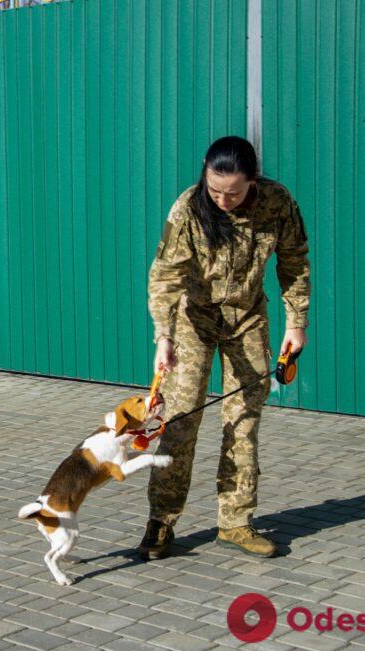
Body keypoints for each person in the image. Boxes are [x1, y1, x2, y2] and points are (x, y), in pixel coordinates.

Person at [139, 135, 311, 560]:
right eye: (215, 190)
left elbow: (294, 261)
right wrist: (164, 336)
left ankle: (236, 522)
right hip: (192, 319)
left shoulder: (277, 203)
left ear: (253, 181)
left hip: (247, 316)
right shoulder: (188, 208)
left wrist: (297, 323)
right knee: (180, 421)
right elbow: (164, 275)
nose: (223, 200)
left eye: (233, 192)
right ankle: (161, 522)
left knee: (244, 419)